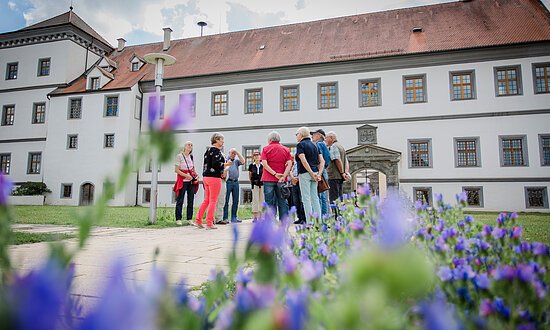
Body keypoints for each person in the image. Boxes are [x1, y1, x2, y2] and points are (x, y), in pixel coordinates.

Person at [195, 133, 231, 229]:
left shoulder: (208, 150)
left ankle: (198, 220)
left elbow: (209, 164)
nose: (223, 141)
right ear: (216, 140)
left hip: (206, 177)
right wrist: (225, 164)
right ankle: (209, 223)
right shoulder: (216, 151)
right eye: (221, 139)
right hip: (214, 178)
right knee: (213, 201)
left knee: (206, 200)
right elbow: (216, 164)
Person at [261, 131, 292, 220]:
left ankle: (270, 221)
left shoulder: (265, 149)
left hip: (268, 178)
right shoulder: (286, 149)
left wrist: (274, 174)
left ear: (270, 140)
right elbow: (289, 164)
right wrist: (284, 176)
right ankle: (284, 220)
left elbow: (264, 164)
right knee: (282, 200)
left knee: (269, 201)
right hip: (281, 179)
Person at [295, 127, 324, 225]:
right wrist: (318, 174)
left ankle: (310, 222)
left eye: (297, 134)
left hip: (305, 173)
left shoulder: (300, 145)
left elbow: (303, 161)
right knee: (315, 197)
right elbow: (322, 161)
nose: (296, 136)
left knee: (306, 198)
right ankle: (318, 222)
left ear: (301, 135)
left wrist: (311, 173)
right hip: (316, 173)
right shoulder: (315, 145)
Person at [173, 141, 198, 225]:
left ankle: (189, 218)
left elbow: (193, 168)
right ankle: (178, 219)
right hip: (183, 181)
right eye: (188, 144)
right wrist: (186, 176)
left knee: (191, 199)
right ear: (184, 146)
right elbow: (176, 170)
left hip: (191, 181)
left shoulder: (191, 157)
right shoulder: (179, 156)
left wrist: (196, 176)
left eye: (191, 145)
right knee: (180, 199)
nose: (190, 146)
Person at [325, 131, 350, 204]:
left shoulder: (333, 146)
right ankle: (340, 213)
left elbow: (337, 160)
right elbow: (346, 162)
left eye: (326, 138)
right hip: (339, 177)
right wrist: (345, 172)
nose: (325, 139)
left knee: (334, 198)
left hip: (333, 176)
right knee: (339, 197)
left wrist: (342, 173)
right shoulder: (341, 146)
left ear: (331, 138)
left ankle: (335, 214)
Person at [311, 129, 331, 219]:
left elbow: (320, 160)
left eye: (313, 134)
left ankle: (321, 219)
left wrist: (319, 172)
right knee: (323, 197)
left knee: (320, 197)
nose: (312, 136)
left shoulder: (318, 144)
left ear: (319, 135)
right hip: (324, 172)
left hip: (320, 172)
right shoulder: (323, 145)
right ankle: (325, 218)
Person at [223, 148, 245, 223]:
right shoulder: (226, 160)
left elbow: (243, 161)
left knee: (235, 200)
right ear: (229, 153)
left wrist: (237, 152)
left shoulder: (236, 161)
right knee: (226, 200)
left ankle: (234, 217)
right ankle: (225, 217)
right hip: (228, 182)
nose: (233, 154)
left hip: (236, 182)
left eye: (234, 153)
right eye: (232, 153)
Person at [214, 152, 229, 225]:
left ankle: (219, 218)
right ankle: (212, 218)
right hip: (215, 179)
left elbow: (226, 168)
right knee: (214, 200)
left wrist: (225, 173)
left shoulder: (223, 156)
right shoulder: (213, 155)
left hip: (223, 180)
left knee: (221, 200)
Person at [289, 157, 306, 224]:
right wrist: (292, 178)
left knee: (302, 201)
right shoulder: (294, 164)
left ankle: (303, 218)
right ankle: (299, 217)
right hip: (294, 183)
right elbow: (290, 171)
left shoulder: (302, 163)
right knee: (296, 201)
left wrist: (297, 178)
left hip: (301, 182)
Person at [248, 152, 264, 222]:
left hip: (262, 185)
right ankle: (255, 217)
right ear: (253, 157)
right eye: (255, 155)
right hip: (254, 184)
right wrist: (252, 182)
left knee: (261, 200)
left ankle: (260, 216)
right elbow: (250, 175)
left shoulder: (263, 165)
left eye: (258, 155)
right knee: (255, 200)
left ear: (260, 156)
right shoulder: (251, 165)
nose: (257, 157)